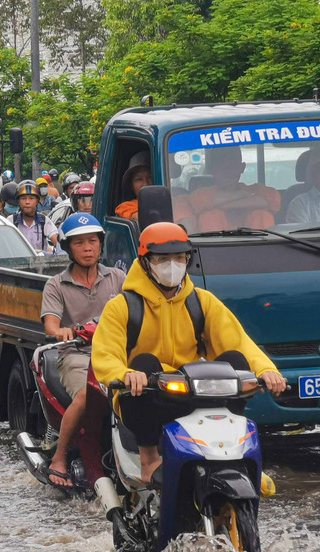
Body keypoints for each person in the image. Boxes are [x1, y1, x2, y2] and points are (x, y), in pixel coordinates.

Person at [91, 222, 286, 484]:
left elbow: (238, 341)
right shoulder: (122, 306)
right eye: (162, 259)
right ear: (146, 262)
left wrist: (266, 370)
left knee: (236, 362)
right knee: (143, 363)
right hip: (148, 394)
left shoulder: (202, 301)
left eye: (179, 257)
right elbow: (105, 354)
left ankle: (236, 454)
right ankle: (149, 459)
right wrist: (123, 374)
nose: (172, 265)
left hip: (193, 389)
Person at [40, 213, 126, 487]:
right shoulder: (56, 284)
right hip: (77, 354)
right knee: (86, 396)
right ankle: (60, 457)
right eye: (79, 243)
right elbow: (51, 324)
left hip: (117, 353)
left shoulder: (118, 278)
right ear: (68, 248)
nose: (88, 248)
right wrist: (61, 331)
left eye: (92, 241)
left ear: (101, 244)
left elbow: (138, 309)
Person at [188, 145, 280, 232]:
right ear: (212, 170)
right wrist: (244, 195)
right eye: (220, 164)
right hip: (212, 243)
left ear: (242, 167)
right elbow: (198, 204)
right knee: (210, 216)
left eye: (232, 163)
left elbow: (270, 202)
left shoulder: (257, 190)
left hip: (261, 243)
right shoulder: (200, 194)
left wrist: (220, 204)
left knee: (262, 214)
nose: (227, 170)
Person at [12, 180, 59, 253]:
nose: (27, 202)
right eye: (23, 198)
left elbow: (57, 242)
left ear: (37, 201)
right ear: (18, 201)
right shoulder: (11, 221)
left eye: (31, 198)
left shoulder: (44, 221)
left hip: (40, 260)